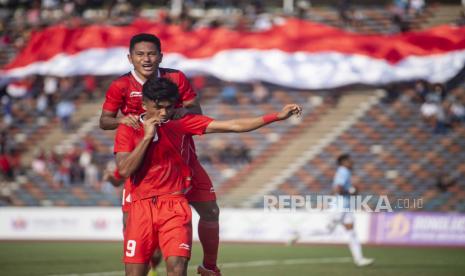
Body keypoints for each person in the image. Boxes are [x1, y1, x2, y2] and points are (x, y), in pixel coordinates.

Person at [116, 77, 301, 276]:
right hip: (140, 207)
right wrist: (147, 137)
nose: (163, 113)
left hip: (174, 205)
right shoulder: (129, 128)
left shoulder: (182, 122)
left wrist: (277, 116)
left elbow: (233, 125)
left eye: (169, 107)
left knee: (177, 269)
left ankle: (209, 267)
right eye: (158, 107)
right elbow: (125, 170)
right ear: (144, 104)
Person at [99, 33, 220, 275]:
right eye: (140, 54)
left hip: (178, 155)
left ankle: (209, 267)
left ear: (160, 56)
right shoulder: (120, 85)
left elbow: (196, 109)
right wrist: (126, 120)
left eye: (151, 53)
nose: (146, 59)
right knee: (132, 222)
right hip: (141, 159)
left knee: (211, 211)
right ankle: (149, 263)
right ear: (130, 58)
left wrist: (179, 112)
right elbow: (104, 121)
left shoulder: (175, 77)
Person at [327, 154, 374, 267]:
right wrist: (351, 192)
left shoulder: (344, 171)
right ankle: (299, 233)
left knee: (352, 232)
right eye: (349, 160)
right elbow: (338, 188)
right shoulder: (343, 171)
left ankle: (359, 259)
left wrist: (351, 192)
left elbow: (336, 190)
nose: (352, 162)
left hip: (345, 206)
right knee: (328, 229)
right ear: (343, 162)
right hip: (340, 206)